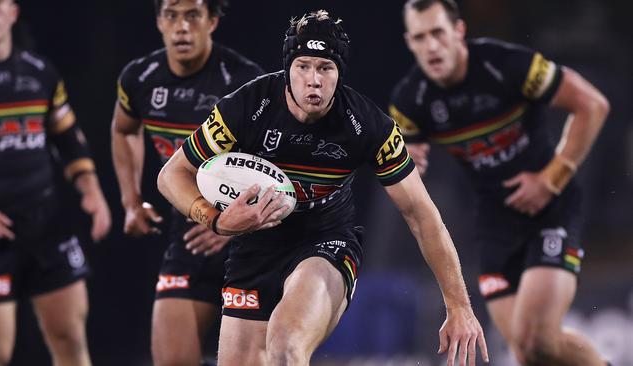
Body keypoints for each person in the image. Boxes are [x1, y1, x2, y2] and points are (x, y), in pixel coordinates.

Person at [158, 9, 489, 366]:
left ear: (339, 74)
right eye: (303, 66)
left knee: (285, 346)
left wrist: (459, 306)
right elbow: (171, 175)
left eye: (324, 68)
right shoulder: (246, 106)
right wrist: (217, 220)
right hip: (255, 248)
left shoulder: (367, 125)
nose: (313, 80)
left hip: (326, 243)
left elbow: (422, 215)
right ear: (288, 68)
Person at [390, 0, 610, 365]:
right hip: (494, 222)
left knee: (537, 338)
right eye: (419, 38)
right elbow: (404, 152)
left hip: (550, 210)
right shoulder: (411, 99)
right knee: (526, 352)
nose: (430, 46)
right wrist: (409, 156)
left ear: (459, 32)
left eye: (438, 33)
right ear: (409, 42)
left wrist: (551, 179)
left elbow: (593, 104)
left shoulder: (506, 65)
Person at [110, 0, 264, 364]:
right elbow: (123, 129)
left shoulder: (244, 81)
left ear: (211, 21)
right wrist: (131, 201)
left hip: (254, 241)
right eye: (171, 16)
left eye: (192, 15)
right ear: (159, 22)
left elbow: (277, 162)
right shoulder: (140, 78)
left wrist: (232, 225)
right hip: (192, 232)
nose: (182, 27)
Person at [0, 0, 112, 365]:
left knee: (70, 337)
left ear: (13, 12)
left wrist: (92, 192)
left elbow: (68, 138)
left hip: (45, 225)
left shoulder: (40, 74)